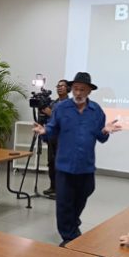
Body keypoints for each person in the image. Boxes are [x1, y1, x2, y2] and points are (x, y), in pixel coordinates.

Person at [33, 72, 121, 244]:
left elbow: (101, 137)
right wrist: (44, 132)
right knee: (64, 203)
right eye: (75, 89)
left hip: (86, 166)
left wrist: (104, 131)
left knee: (84, 194)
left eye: (82, 90)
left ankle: (72, 224)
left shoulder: (96, 111)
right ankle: (70, 238)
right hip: (65, 166)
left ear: (89, 91)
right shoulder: (61, 108)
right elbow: (52, 129)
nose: (78, 93)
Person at [41, 79, 69, 199]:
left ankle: (61, 190)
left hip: (63, 138)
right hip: (51, 137)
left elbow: (64, 119)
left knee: (60, 164)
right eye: (58, 86)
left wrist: (50, 113)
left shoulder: (70, 104)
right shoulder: (53, 103)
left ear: (68, 89)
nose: (59, 88)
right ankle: (53, 186)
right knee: (51, 163)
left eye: (62, 86)